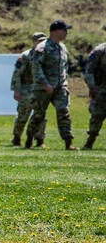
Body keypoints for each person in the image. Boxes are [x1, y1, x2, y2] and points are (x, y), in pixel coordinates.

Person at [26, 20, 77, 150]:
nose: (66, 33)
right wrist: (45, 84)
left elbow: (64, 67)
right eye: (65, 30)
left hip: (60, 87)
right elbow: (36, 68)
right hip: (43, 88)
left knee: (64, 112)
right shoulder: (42, 47)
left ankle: (68, 142)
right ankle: (29, 139)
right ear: (56, 31)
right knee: (38, 115)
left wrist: (64, 83)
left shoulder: (63, 47)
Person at [9, 32, 47, 146]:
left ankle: (40, 140)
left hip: (40, 89)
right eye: (39, 41)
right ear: (34, 42)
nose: (41, 44)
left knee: (41, 116)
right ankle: (17, 137)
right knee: (22, 115)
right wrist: (17, 90)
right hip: (26, 89)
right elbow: (17, 74)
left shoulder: (47, 55)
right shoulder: (25, 56)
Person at [82, 38, 106, 149]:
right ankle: (90, 141)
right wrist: (92, 86)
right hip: (101, 89)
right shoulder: (100, 50)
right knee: (97, 116)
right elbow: (89, 70)